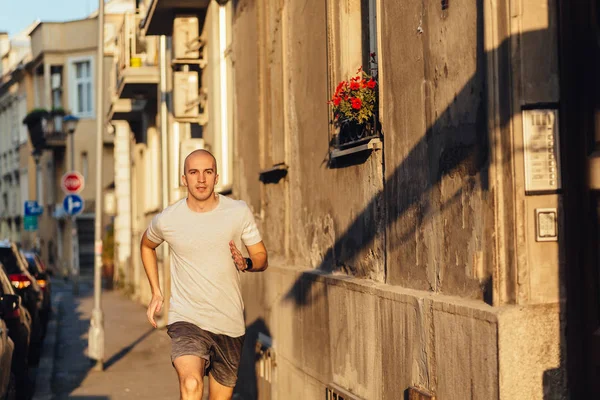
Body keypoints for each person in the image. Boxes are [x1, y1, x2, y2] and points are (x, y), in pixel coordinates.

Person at [140, 149, 268, 400]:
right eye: (194, 172)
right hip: (187, 319)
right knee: (190, 384)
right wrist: (156, 290)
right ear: (183, 179)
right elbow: (147, 245)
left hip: (229, 324)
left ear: (216, 177)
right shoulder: (169, 219)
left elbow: (262, 257)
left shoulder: (237, 211)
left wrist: (247, 262)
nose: (201, 179)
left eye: (207, 172)